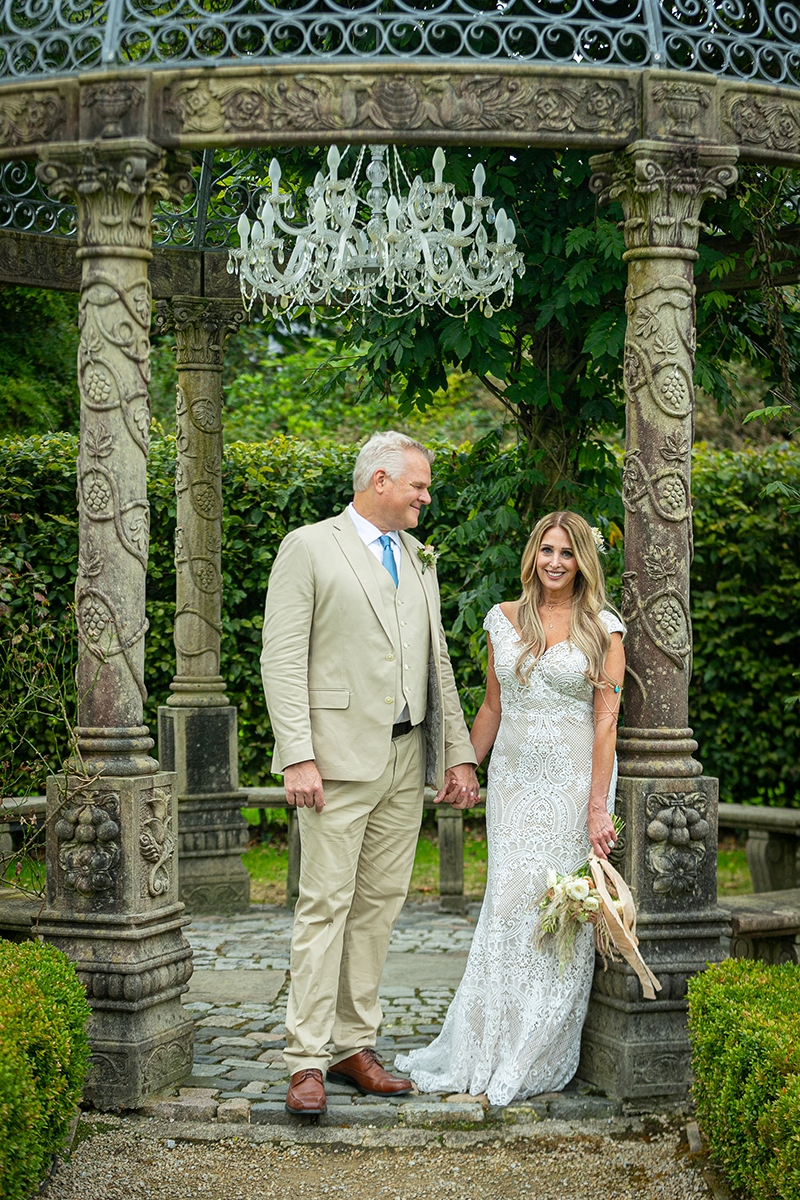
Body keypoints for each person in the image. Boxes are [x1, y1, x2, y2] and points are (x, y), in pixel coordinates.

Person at [261, 430, 479, 1117]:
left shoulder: (420, 557)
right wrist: (298, 753)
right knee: (324, 905)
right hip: (333, 761)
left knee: (379, 907)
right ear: (378, 480)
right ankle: (305, 1058)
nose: (425, 497)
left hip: (403, 758)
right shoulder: (309, 546)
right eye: (417, 485)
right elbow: (282, 657)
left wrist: (457, 754)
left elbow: (435, 661)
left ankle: (354, 1046)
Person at [396, 511, 625, 1107]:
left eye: (567, 554)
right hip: (515, 783)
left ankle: (534, 1047)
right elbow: (493, 707)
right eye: (547, 550)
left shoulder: (604, 627)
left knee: (555, 908)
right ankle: (486, 1043)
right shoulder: (502, 620)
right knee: (506, 903)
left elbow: (606, 723)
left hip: (574, 783)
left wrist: (598, 807)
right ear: (533, 555)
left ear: (582, 563)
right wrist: (465, 765)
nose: (555, 562)